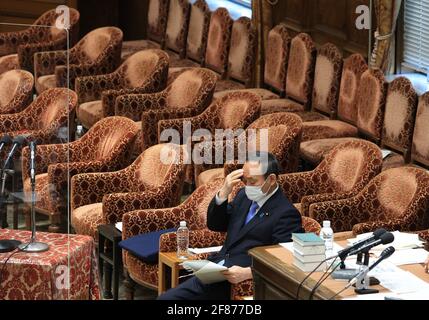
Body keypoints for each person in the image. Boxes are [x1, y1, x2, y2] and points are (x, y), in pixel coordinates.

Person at [158, 152, 304, 300]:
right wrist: (223, 193)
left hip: (238, 282)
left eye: (252, 181)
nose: (247, 186)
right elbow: (216, 224)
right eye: (245, 180)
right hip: (214, 271)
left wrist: (248, 272)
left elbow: (285, 261)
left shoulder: (286, 214)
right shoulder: (243, 196)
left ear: (271, 179)